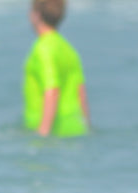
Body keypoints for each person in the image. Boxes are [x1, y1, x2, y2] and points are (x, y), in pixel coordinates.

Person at [22, 0, 91, 137]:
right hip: (75, 128)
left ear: (36, 15)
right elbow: (81, 92)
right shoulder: (68, 49)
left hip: (53, 130)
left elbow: (52, 90)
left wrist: (43, 133)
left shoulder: (43, 48)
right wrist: (87, 126)